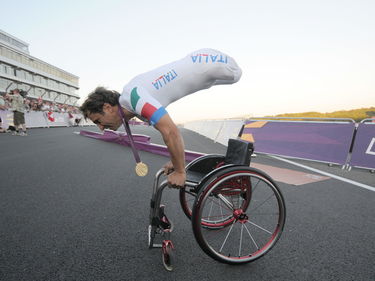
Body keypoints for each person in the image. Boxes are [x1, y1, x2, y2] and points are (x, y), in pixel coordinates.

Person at [80, 48, 242, 187]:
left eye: (97, 121)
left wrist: (180, 171)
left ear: (107, 107)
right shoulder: (132, 103)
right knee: (211, 82)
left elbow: (171, 132)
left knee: (237, 76)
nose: (100, 127)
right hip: (201, 66)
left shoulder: (134, 98)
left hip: (208, 63)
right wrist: (175, 160)